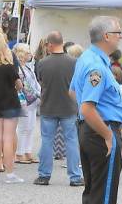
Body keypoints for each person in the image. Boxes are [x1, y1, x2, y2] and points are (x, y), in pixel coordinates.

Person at [71, 16, 122, 204]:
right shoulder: (96, 65)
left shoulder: (88, 58)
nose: (120, 36)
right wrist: (108, 135)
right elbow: (86, 107)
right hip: (100, 131)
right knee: (104, 192)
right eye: (118, 32)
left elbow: (73, 91)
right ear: (106, 36)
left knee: (94, 191)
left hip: (90, 130)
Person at [33, 31, 84, 186]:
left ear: (50, 44)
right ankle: (75, 176)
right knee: (72, 141)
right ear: (62, 42)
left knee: (47, 141)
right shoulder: (74, 62)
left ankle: (44, 175)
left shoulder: (42, 63)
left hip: (48, 106)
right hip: (68, 106)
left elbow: (40, 81)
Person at [0, 29, 24, 184]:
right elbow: (19, 85)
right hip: (9, 103)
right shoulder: (9, 67)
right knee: (8, 138)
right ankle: (9, 173)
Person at [13, 43, 41, 165]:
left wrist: (39, 92)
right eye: (27, 52)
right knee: (23, 127)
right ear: (20, 54)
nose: (30, 54)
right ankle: (19, 153)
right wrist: (37, 93)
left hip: (33, 101)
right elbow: (24, 86)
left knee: (30, 127)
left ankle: (27, 151)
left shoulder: (28, 67)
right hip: (25, 100)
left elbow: (34, 82)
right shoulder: (18, 68)